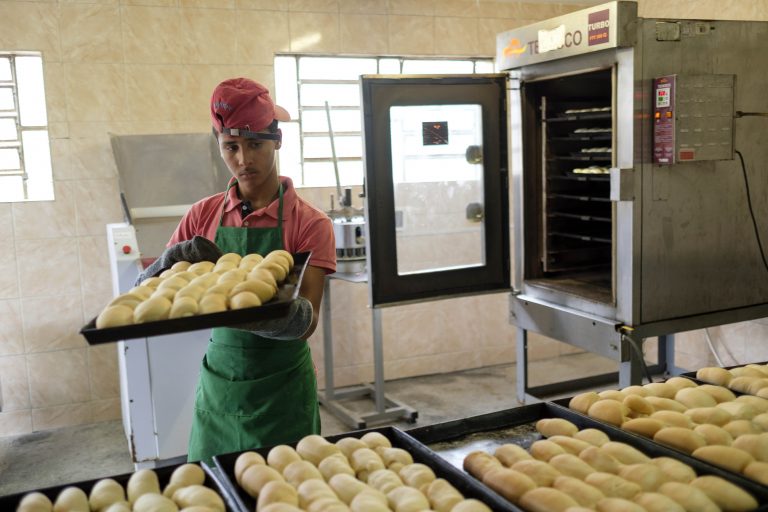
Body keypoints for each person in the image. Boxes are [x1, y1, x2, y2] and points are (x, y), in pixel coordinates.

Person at [137, 77, 336, 463]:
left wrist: (236, 308)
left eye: (255, 145)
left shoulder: (311, 223)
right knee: (212, 493)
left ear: (277, 140)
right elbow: (145, 293)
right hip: (221, 384)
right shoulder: (202, 215)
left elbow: (305, 323)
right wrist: (167, 261)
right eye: (231, 146)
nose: (243, 159)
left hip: (283, 390)